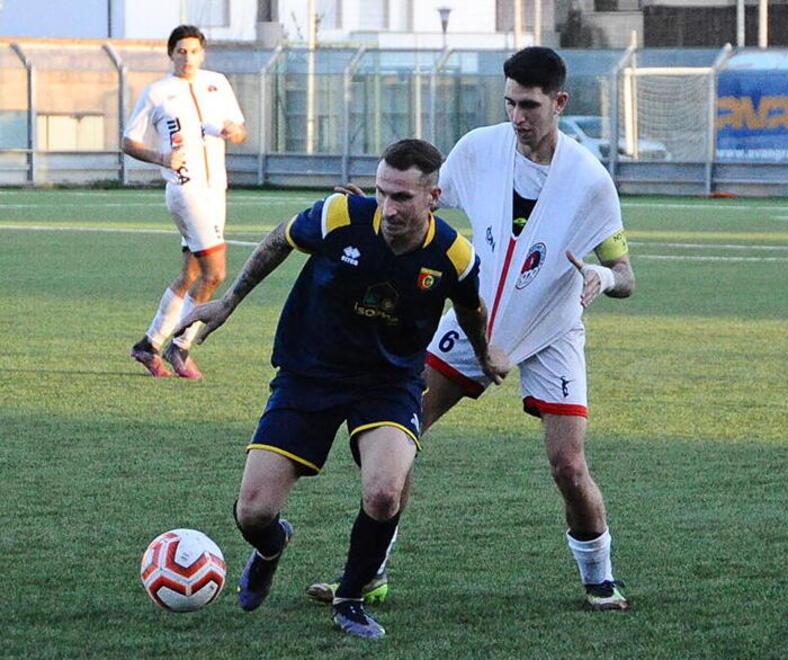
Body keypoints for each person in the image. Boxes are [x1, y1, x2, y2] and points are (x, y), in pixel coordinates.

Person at [307, 47, 636, 611]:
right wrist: (370, 204)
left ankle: (599, 577)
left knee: (568, 465)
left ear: (559, 102)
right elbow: (418, 197)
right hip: (474, 321)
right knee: (394, 441)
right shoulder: (479, 149)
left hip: (552, 330)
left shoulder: (589, 180)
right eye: (509, 102)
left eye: (529, 105)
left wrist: (601, 278)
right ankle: (368, 575)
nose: (517, 117)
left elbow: (627, 274)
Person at [174, 139, 510, 638]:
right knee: (254, 510)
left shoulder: (453, 253)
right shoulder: (339, 216)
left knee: (383, 491)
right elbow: (278, 241)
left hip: (388, 382)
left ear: (433, 196)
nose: (389, 207)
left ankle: (350, 599)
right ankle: (271, 545)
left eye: (402, 197)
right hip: (310, 370)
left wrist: (485, 355)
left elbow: (469, 308)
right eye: (382, 193)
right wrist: (228, 302)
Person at [123, 24, 246, 379]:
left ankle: (149, 345)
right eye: (181, 51)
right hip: (185, 189)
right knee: (216, 272)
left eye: (194, 51)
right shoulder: (157, 92)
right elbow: (129, 141)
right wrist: (163, 158)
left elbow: (239, 130)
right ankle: (181, 345)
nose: (188, 57)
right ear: (171, 54)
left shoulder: (217, 82)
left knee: (191, 273)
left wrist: (232, 132)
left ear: (202, 53)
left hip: (215, 190)